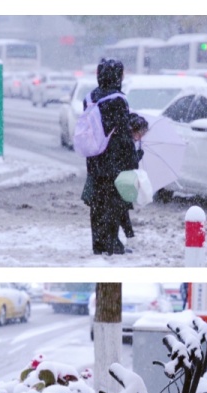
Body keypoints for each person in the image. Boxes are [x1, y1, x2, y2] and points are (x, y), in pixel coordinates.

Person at [84, 59, 137, 256]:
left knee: (97, 203)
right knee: (114, 203)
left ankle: (98, 243)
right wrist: (133, 161)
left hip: (94, 159)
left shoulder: (89, 98)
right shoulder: (118, 100)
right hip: (114, 160)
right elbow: (123, 135)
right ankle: (112, 243)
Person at [118, 114, 150, 242]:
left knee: (121, 210)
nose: (141, 137)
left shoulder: (123, 138)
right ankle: (129, 237)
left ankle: (129, 236)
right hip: (120, 180)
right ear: (136, 130)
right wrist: (138, 155)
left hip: (118, 179)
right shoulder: (127, 141)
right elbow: (131, 163)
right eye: (141, 133)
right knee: (121, 209)